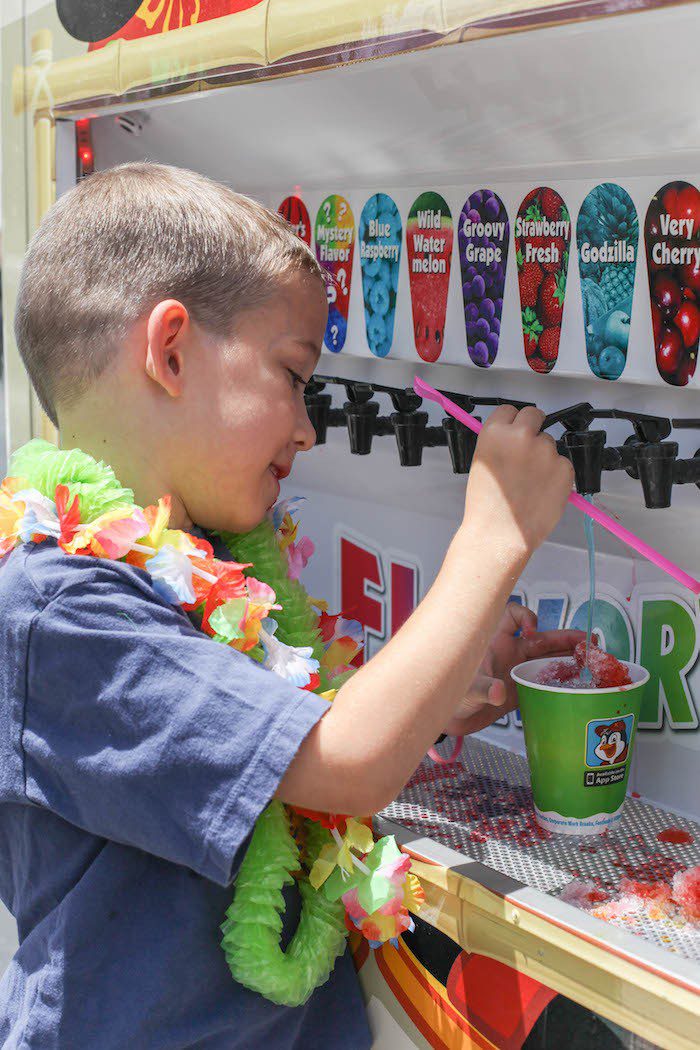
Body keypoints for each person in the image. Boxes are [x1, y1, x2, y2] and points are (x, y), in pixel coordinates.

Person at [0, 163, 579, 1048]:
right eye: (293, 372)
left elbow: (284, 736)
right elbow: (339, 760)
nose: (308, 428)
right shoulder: (61, 611)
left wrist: (450, 667)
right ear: (171, 352)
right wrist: (491, 542)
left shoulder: (209, 564)